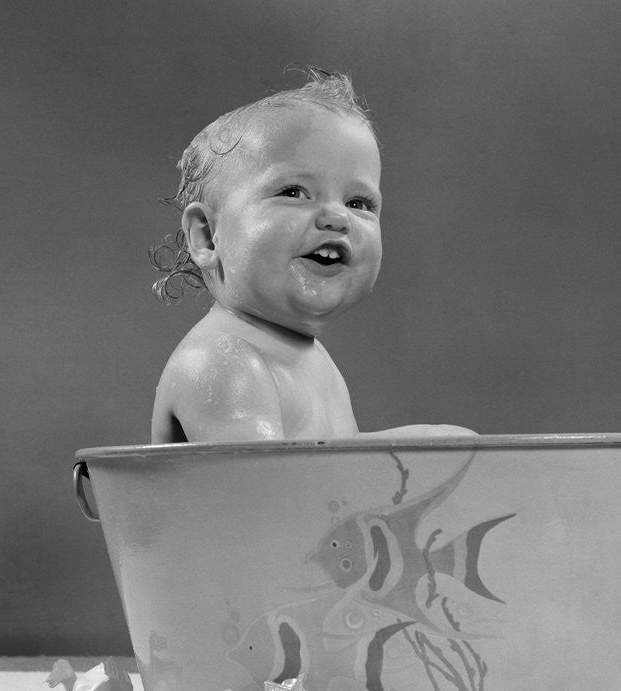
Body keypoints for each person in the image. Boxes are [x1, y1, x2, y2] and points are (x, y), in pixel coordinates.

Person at [149, 67, 472, 444]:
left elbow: (327, 463)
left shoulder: (309, 359)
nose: (337, 217)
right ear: (207, 236)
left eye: (358, 202)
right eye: (293, 192)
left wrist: (425, 443)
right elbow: (272, 490)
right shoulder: (224, 360)